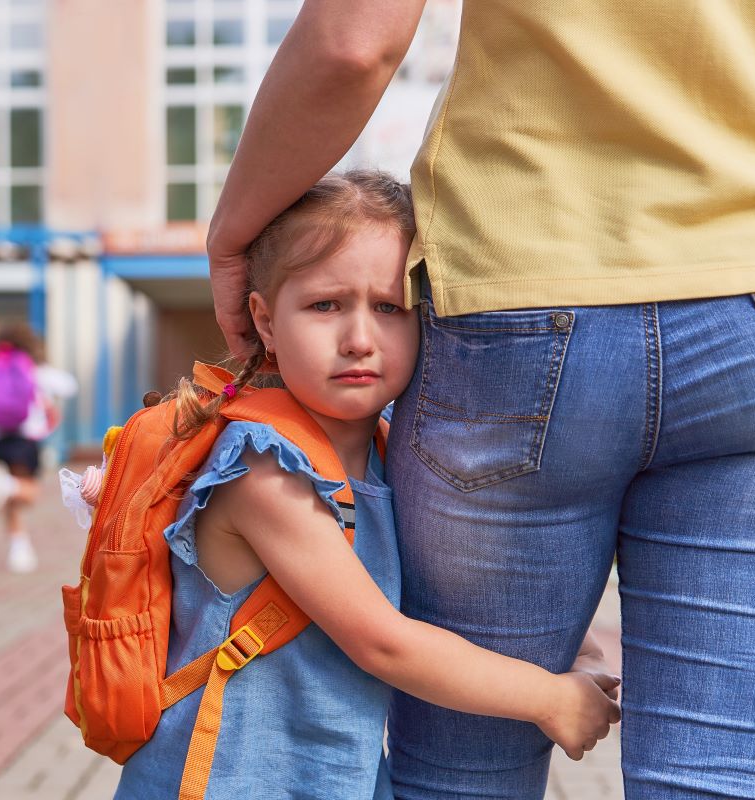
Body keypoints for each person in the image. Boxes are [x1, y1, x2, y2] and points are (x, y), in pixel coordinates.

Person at [206, 3, 755, 797]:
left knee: (468, 771)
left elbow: (353, 43)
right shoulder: (267, 470)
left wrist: (234, 233)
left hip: (527, 283)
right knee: (719, 769)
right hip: (738, 297)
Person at [110, 171, 619, 799]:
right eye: (325, 305)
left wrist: (581, 650)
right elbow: (383, 643)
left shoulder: (388, 455)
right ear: (265, 322)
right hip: (226, 781)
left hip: (336, 780)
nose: (358, 339)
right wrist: (548, 699)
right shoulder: (266, 470)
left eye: (389, 308)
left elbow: (457, 588)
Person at [0, 318, 76, 573]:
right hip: (26, 439)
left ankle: (19, 548)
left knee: (11, 500)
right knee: (29, 493)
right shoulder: (34, 368)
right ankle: (6, 490)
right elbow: (68, 386)